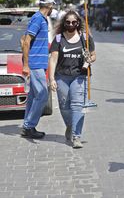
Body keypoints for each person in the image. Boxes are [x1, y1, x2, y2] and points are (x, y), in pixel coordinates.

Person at [48, 11, 96, 148]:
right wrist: (51, 79)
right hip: (62, 76)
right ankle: (70, 125)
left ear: (78, 23)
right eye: (68, 22)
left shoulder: (85, 38)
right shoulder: (58, 39)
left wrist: (89, 59)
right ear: (64, 23)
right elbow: (53, 59)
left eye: (73, 22)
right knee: (64, 106)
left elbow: (93, 56)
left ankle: (76, 136)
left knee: (77, 105)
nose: (70, 25)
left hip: (79, 76)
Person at [20, 0, 56, 139]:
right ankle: (29, 126)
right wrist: (26, 65)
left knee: (34, 96)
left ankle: (28, 126)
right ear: (50, 5)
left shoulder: (42, 19)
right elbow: (26, 41)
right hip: (34, 64)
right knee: (42, 95)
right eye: (53, 5)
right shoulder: (37, 19)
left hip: (39, 63)